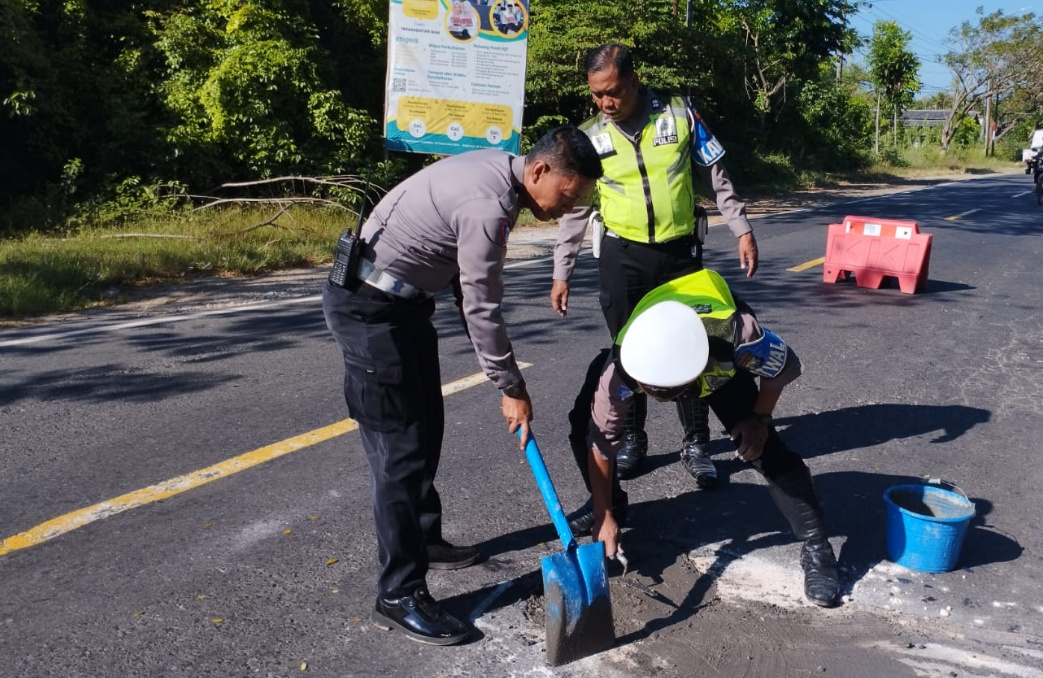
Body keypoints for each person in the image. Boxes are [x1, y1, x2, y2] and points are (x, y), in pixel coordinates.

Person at [321, 126, 602, 646]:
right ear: (540, 171)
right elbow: (481, 303)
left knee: (426, 426)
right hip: (370, 311)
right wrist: (509, 383)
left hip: (402, 308)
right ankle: (399, 592)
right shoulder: (489, 202)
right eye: (568, 195)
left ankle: (423, 539)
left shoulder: (504, 174)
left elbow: (460, 269)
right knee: (398, 453)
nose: (568, 209)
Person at [551, 43, 760, 517]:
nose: (605, 103)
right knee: (631, 351)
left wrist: (742, 228)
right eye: (597, 95)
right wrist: (561, 271)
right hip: (622, 258)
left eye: (614, 92)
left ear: (634, 79)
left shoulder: (680, 115)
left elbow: (717, 174)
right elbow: (575, 213)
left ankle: (696, 444)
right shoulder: (590, 137)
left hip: (679, 255)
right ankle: (632, 438)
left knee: (696, 347)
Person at [566, 268, 841, 607]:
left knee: (764, 450)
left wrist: (759, 418)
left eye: (668, 391)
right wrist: (603, 511)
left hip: (715, 358)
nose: (655, 397)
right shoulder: (623, 368)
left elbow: (783, 369)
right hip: (661, 338)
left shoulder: (738, 337)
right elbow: (602, 441)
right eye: (649, 389)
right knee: (582, 426)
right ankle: (613, 507)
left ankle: (818, 550)